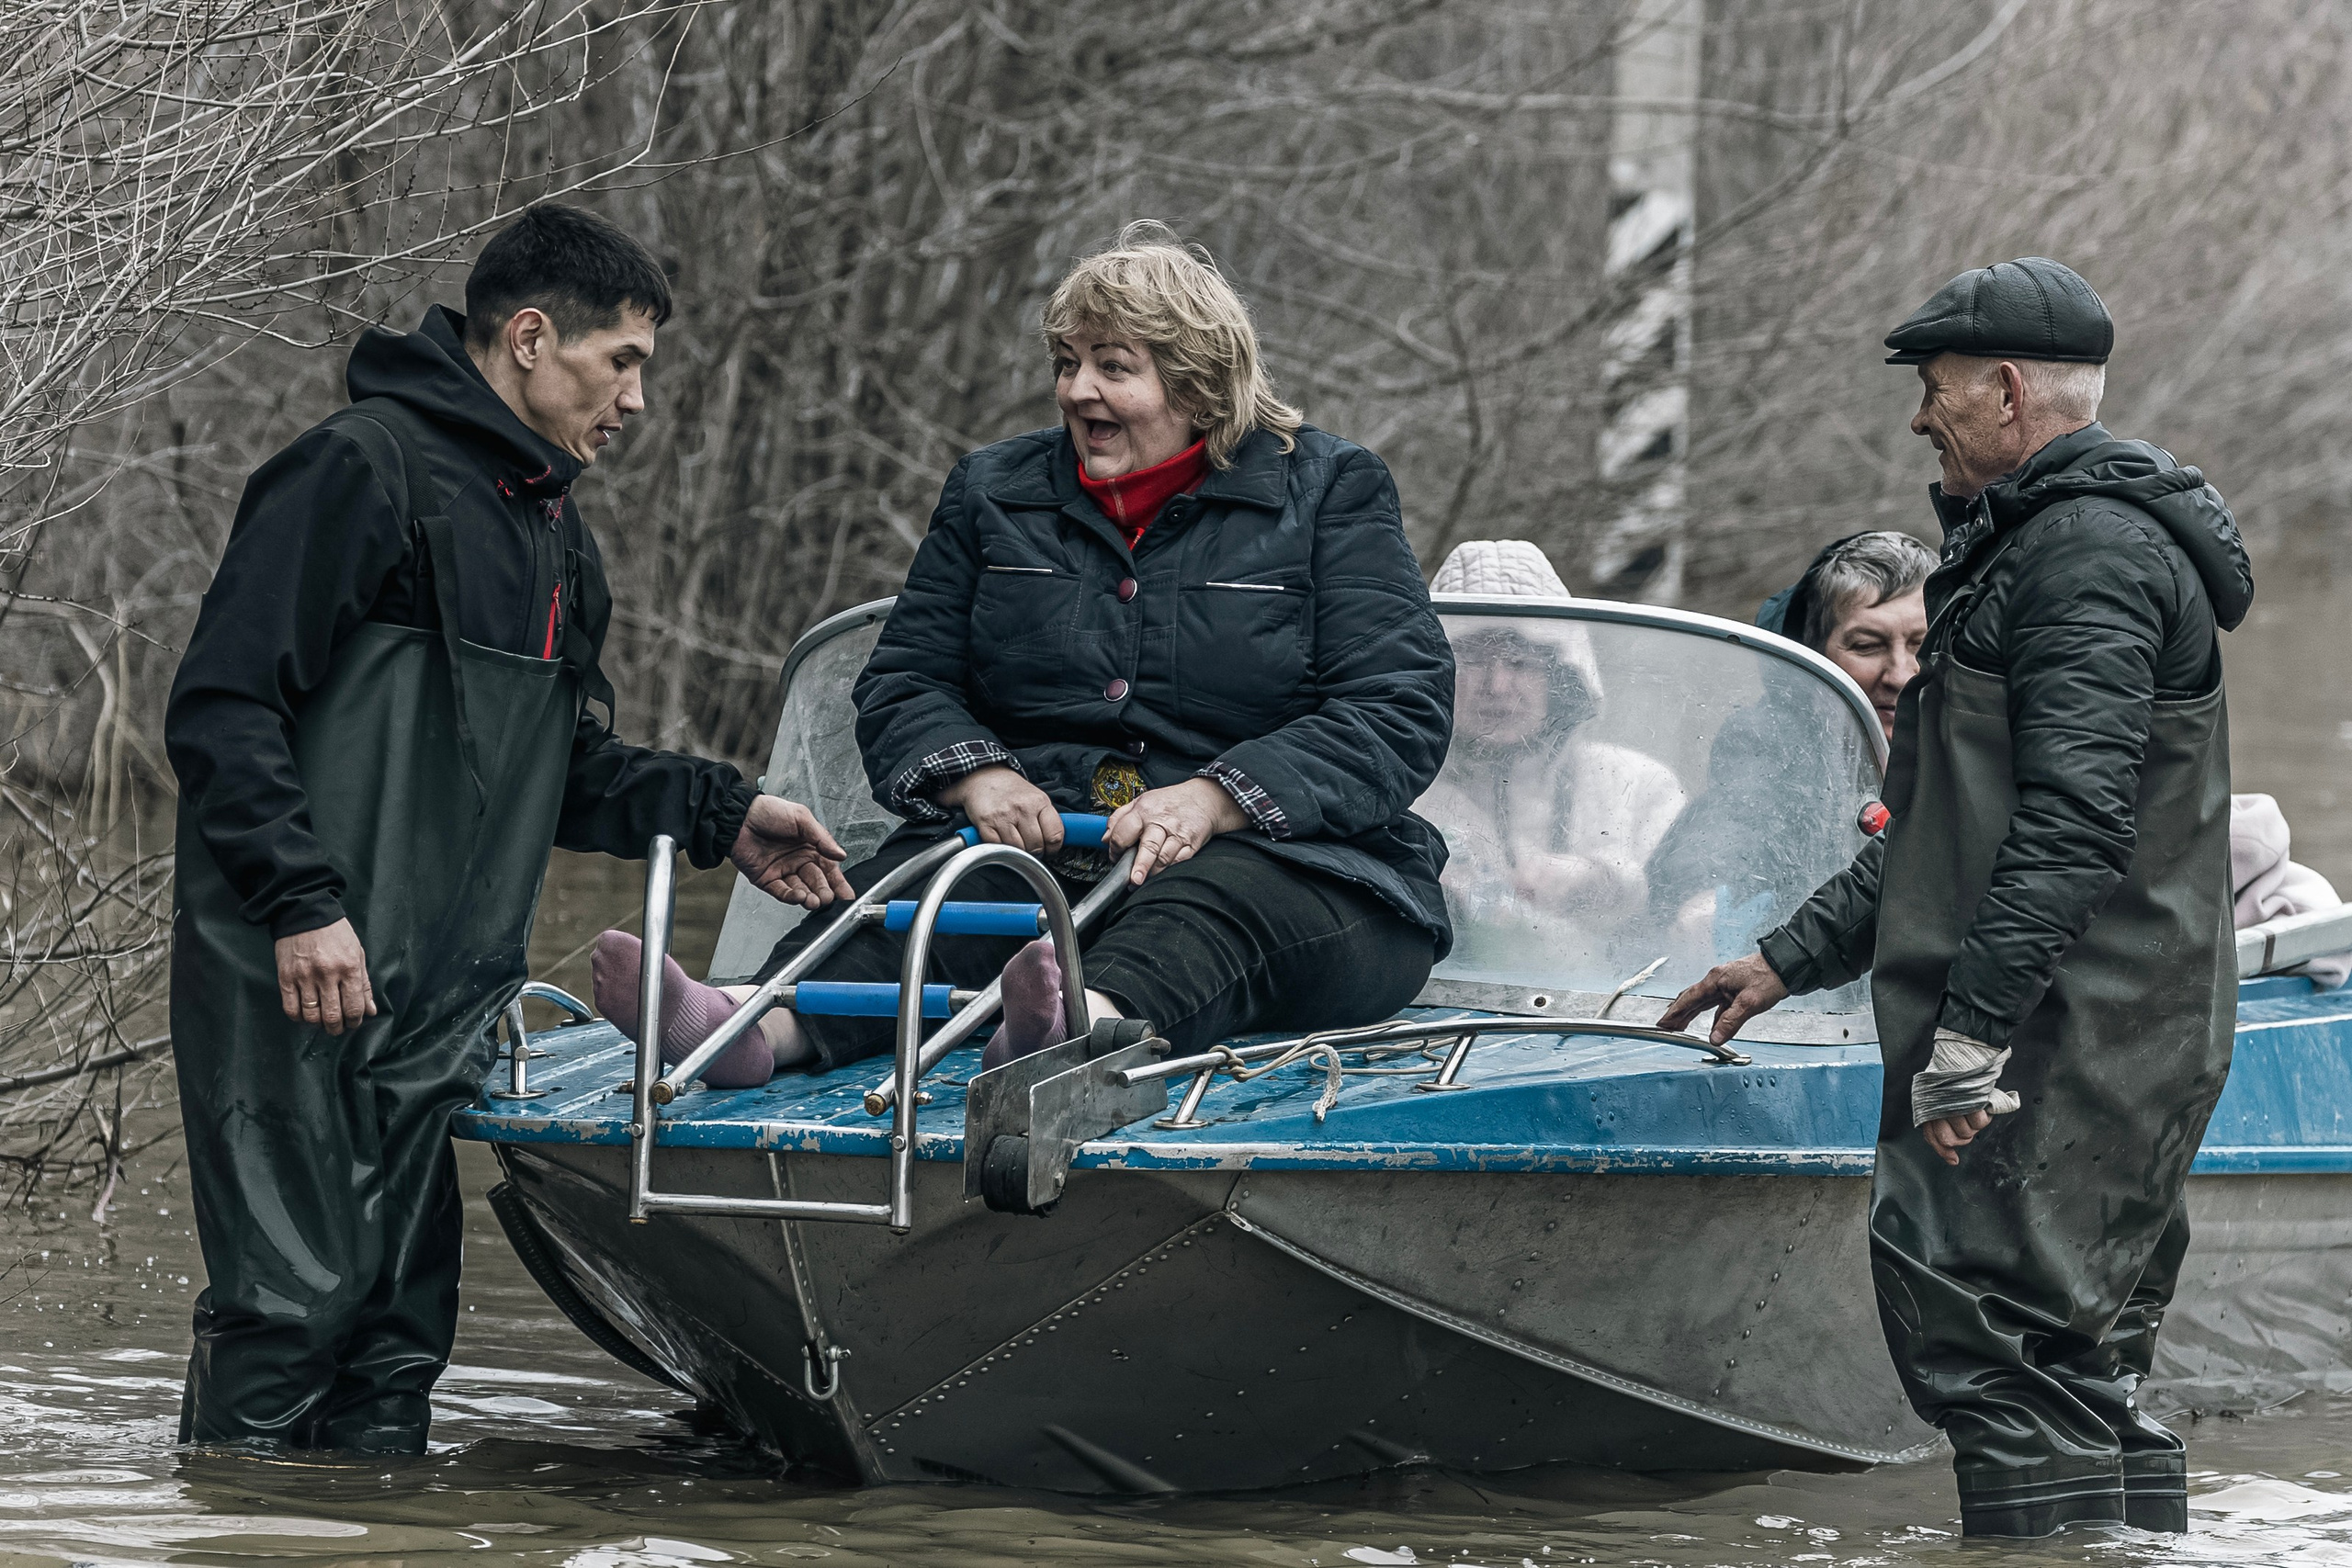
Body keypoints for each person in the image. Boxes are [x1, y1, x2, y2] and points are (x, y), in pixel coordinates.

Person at [164, 205, 854, 1454]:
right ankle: (235, 1523)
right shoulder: (358, 469)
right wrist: (302, 904)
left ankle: (353, 1540)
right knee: (287, 1307)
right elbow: (223, 707)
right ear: (532, 337)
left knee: (396, 1328)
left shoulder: (555, 534)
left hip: (435, 992)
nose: (638, 396)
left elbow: (559, 768)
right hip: (294, 967)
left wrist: (719, 809)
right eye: (623, 359)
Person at [1660, 256, 2253, 1539]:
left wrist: (1971, 1039)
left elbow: (2074, 823)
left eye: (1934, 391)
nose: (1920, 418)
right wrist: (1783, 955)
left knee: (1992, 1334)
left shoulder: (2087, 557)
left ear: (2004, 389)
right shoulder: (2043, 543)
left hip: (2065, 1032)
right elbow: (1951, 829)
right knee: (2078, 1368)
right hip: (2102, 1023)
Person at [592, 221, 1454, 1084]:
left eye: (1113, 367)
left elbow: (1396, 709)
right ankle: (750, 1028)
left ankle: (1070, 1033)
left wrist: (1214, 798)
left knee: (1204, 904)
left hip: (1295, 865)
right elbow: (904, 678)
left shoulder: (1333, 490)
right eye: (1066, 364)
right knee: (941, 891)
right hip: (1050, 849)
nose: (1078, 390)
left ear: (1198, 384)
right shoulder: (993, 490)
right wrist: (979, 778)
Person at [1419, 539, 1682, 971]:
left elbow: (1682, 929)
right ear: (1438, 670)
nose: (1497, 686)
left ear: (1561, 673)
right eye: (1473, 660)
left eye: (1520, 662)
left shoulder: (1637, 786)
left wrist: (1600, 883)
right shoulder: (1402, 792)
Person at [1756, 530, 1938, 740]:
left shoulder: (1979, 755)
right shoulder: (1757, 748)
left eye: (1926, 646)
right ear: (1814, 654)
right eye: (1866, 646)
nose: (1900, 677)